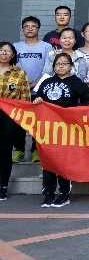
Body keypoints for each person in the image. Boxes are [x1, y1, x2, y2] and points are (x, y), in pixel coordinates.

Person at [33, 53, 89, 208]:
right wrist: (37, 100)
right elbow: (36, 98)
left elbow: (88, 101)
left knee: (63, 161)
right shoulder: (46, 81)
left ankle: (64, 194)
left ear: (71, 66)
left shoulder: (76, 82)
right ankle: (48, 193)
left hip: (67, 129)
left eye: (65, 63)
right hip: (48, 129)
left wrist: (75, 114)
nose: (61, 66)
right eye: (58, 63)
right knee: (47, 160)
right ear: (54, 66)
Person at [13, 16, 52, 162]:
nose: (30, 29)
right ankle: (19, 149)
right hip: (20, 90)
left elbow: (49, 68)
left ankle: (36, 150)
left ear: (38, 29)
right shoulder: (16, 47)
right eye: (27, 26)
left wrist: (36, 82)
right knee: (19, 120)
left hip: (40, 90)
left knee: (39, 121)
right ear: (22, 29)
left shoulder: (46, 47)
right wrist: (23, 83)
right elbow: (13, 67)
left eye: (33, 26)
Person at [0, 43, 31, 201]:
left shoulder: (19, 73)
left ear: (13, 55)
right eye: (1, 50)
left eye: (8, 51)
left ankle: (3, 186)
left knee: (5, 150)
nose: (4, 53)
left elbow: (25, 98)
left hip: (9, 115)